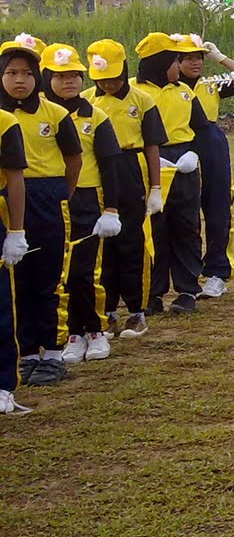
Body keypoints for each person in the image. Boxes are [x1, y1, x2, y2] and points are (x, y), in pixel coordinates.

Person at [0, 35, 81, 386]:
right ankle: (26, 352)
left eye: (27, 73)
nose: (20, 80)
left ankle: (52, 351)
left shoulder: (56, 113)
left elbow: (74, 158)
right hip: (8, 199)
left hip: (47, 196)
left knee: (48, 276)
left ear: (38, 77)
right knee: (17, 281)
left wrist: (64, 192)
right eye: (12, 73)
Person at [42, 45, 127, 364]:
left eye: (76, 75)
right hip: (48, 198)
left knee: (83, 270)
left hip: (87, 200)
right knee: (55, 273)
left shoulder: (96, 116)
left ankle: (92, 330)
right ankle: (67, 335)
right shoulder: (40, 113)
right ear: (47, 77)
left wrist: (111, 209)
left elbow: (109, 165)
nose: (70, 81)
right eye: (62, 76)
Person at [87, 39, 166, 339]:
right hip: (97, 172)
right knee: (103, 247)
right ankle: (106, 312)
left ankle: (137, 311)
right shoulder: (86, 102)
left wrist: (155, 187)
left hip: (131, 169)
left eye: (114, 78)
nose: (108, 84)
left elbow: (152, 145)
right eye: (101, 80)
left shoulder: (142, 99)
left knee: (131, 242)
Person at [172, 34, 234, 298]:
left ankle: (217, 273)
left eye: (199, 58)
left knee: (218, 208)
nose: (196, 64)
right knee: (186, 213)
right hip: (182, 143)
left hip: (211, 143)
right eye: (189, 59)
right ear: (177, 62)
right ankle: (189, 275)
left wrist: (221, 58)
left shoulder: (210, 84)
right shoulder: (170, 86)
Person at [133, 33, 205, 315]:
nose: (180, 66)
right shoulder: (136, 93)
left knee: (186, 225)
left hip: (183, 163)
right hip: (151, 163)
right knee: (154, 230)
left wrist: (193, 154)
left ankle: (187, 290)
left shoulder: (185, 93)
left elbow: (201, 129)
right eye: (175, 60)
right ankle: (153, 292)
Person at [0, 104, 29, 412]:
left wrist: (16, 231)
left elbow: (15, 177)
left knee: (0, 309)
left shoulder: (4, 122)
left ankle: (4, 382)